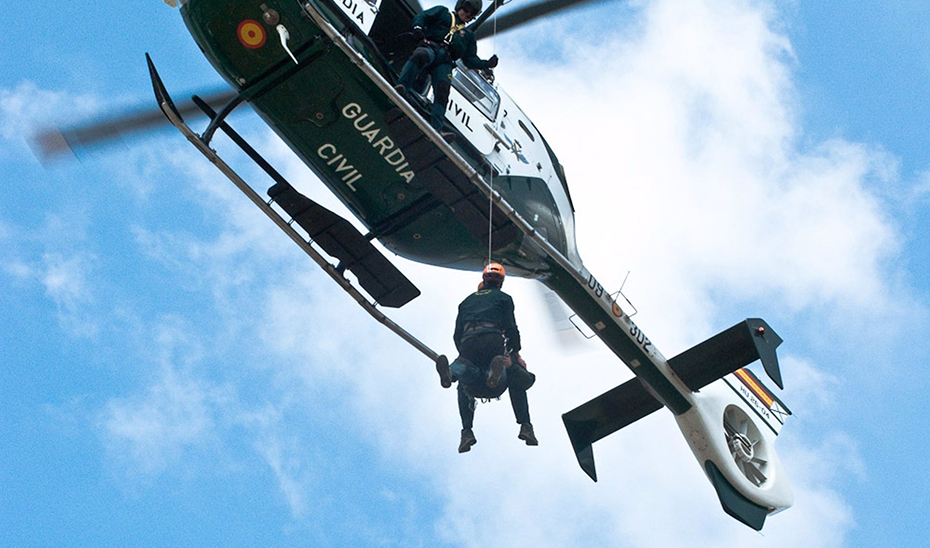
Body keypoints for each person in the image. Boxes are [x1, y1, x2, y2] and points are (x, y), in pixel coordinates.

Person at [437, 263, 538, 452]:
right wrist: (515, 356)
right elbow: (511, 327)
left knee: (464, 371)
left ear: (483, 280)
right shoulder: (504, 298)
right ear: (501, 282)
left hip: (469, 345)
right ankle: (526, 426)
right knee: (515, 378)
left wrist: (465, 353)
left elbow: (457, 334)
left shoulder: (465, 302)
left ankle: (451, 376)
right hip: (493, 342)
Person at [395, 0, 499, 140]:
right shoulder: (443, 12)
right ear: (461, 6)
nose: (467, 14)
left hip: (445, 62)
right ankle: (402, 88)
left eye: (472, 14)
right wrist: (418, 28)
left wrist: (487, 63)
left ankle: (436, 128)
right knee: (420, 55)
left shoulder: (468, 36)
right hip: (431, 47)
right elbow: (423, 17)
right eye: (467, 9)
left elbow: (469, 59)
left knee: (443, 89)